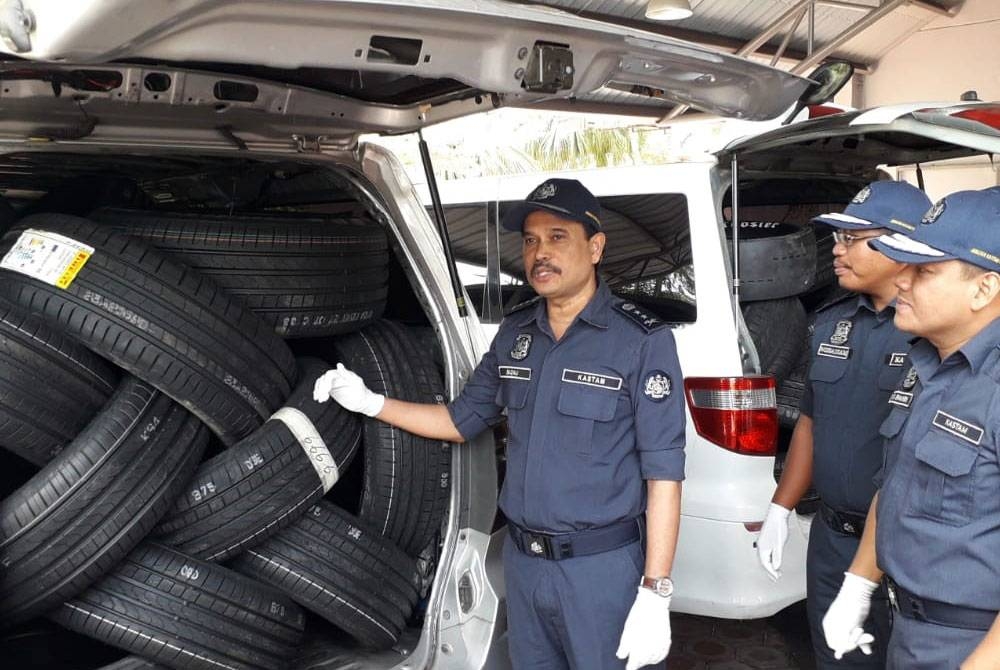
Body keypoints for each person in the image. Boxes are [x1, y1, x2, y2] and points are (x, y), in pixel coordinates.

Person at [313, 178, 686, 670]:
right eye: (530, 240)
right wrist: (370, 402)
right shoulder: (516, 332)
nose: (539, 254)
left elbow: (664, 474)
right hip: (524, 566)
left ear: (595, 248)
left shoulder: (640, 340)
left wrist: (655, 590)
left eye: (557, 237)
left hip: (601, 572)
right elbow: (461, 419)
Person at [755, 181, 931, 669]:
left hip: (905, 550)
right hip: (832, 541)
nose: (836, 249)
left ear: (900, 243)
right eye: (838, 238)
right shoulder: (831, 322)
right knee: (833, 659)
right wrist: (780, 508)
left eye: (852, 239)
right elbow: (811, 420)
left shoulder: (937, 332)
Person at [822, 187, 1000, 669]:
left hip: (974, 645)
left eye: (925, 272)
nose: (904, 282)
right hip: (912, 632)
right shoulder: (933, 366)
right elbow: (899, 485)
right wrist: (859, 585)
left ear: (983, 288)